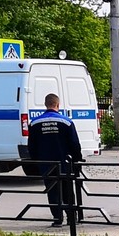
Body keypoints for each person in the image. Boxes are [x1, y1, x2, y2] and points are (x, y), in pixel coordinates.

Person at [26, 93, 83, 226]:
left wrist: (36, 161)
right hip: (64, 163)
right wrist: (77, 160)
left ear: (45, 105)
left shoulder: (35, 123)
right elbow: (75, 144)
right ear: (58, 105)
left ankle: (57, 218)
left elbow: (31, 146)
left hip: (46, 163)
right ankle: (71, 218)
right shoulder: (66, 122)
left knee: (52, 190)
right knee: (67, 190)